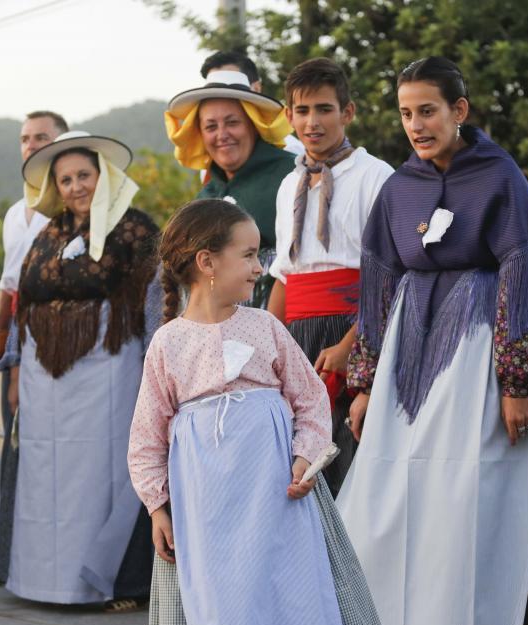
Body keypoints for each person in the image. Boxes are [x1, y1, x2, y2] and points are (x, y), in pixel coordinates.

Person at [336, 57, 528, 625]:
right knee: (392, 497)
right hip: (406, 358)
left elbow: (522, 273)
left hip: (478, 354)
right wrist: (367, 383)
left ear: (458, 111)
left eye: (428, 111)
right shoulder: (400, 188)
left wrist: (516, 384)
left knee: (469, 497)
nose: (416, 125)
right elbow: (379, 288)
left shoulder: (497, 176)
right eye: (405, 114)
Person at [129, 198, 345, 625]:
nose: (260, 268)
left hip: (276, 497)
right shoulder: (168, 344)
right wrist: (157, 508)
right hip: (205, 506)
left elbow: (310, 400)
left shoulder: (266, 327)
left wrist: (305, 458)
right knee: (221, 602)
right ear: (207, 261)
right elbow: (147, 437)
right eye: (248, 255)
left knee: (290, 592)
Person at [7, 131, 158, 609]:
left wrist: (156, 363)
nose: (75, 187)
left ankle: (102, 581)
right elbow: (23, 300)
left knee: (103, 473)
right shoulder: (46, 234)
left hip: (109, 371)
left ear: (104, 176)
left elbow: (156, 300)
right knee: (45, 476)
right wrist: (13, 367)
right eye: (65, 179)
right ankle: (40, 579)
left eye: (84, 176)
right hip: (44, 378)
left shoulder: (134, 229)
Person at [266, 58, 393, 494]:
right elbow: (284, 276)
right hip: (296, 339)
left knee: (343, 467)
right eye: (302, 111)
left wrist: (349, 345)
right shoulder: (289, 186)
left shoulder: (377, 177)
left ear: (348, 112)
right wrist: (268, 345)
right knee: (292, 464)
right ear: (288, 116)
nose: (312, 122)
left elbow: (390, 277)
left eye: (323, 109)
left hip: (352, 333)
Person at [0, 109, 65, 586]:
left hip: (60, 339)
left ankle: (48, 563)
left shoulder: (71, 209)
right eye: (26, 139)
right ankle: (6, 563)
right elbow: (9, 285)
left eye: (42, 138)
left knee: (51, 450)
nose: (32, 145)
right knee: (15, 443)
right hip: (19, 339)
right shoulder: (15, 213)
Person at [165, 69, 294, 308]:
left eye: (233, 123)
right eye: (211, 126)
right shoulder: (205, 197)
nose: (222, 135)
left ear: (254, 126)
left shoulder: (291, 175)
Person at [199, 50, 304, 157]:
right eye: (214, 92)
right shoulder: (212, 158)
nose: (222, 135)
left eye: (234, 90)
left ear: (256, 88)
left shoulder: (290, 151)